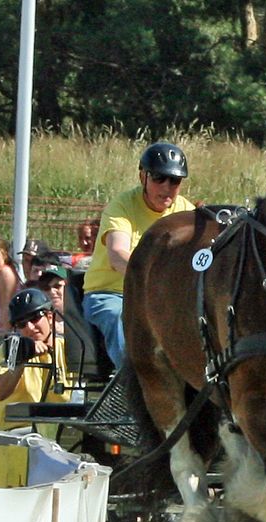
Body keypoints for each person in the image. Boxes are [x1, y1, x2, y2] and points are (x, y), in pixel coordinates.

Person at [83, 141, 194, 368]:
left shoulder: (187, 212)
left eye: (174, 180)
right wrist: (157, 277)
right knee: (118, 316)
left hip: (162, 298)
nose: (166, 186)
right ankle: (135, 381)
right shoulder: (121, 207)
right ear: (142, 176)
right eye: (158, 178)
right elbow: (117, 255)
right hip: (111, 294)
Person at [0, 288, 71, 437]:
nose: (30, 327)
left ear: (50, 316)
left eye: (35, 318)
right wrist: (21, 361)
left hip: (50, 436)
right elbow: (0, 392)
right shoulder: (12, 348)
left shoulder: (67, 349)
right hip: (8, 432)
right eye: (21, 324)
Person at [37, 266, 68, 336]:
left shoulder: (80, 317)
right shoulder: (36, 322)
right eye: (46, 287)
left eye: (57, 286)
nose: (51, 291)